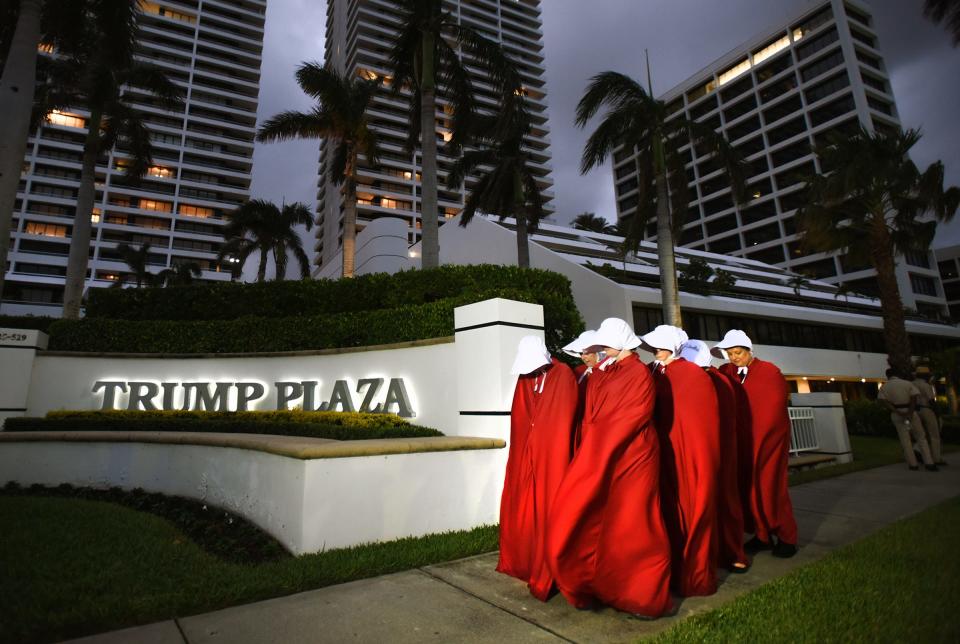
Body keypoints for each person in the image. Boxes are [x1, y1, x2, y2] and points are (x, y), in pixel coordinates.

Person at [547, 318, 672, 618]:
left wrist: (594, 452)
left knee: (636, 523)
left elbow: (630, 416)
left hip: (634, 456)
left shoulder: (637, 372)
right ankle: (607, 585)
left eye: (606, 342)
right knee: (612, 522)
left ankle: (644, 595)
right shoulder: (610, 371)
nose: (600, 347)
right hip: (610, 453)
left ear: (621, 342)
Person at [640, 326, 720, 596]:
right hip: (659, 451)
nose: (656, 352)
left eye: (661, 347)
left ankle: (692, 572)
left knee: (689, 507)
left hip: (686, 453)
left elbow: (699, 422)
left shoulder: (691, 374)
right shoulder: (652, 370)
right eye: (654, 347)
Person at [498, 335, 578, 601]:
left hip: (552, 456)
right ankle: (526, 558)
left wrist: (544, 449)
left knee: (550, 505)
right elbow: (521, 419)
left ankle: (550, 568)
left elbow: (561, 421)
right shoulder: (525, 379)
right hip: (528, 453)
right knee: (524, 503)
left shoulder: (562, 375)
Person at [713, 330, 798, 559]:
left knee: (771, 487)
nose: (734, 357)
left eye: (738, 352)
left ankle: (787, 536)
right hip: (740, 443)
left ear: (750, 351)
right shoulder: (726, 371)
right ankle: (762, 535)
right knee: (746, 489)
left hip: (766, 443)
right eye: (729, 353)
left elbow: (772, 411)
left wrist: (760, 439)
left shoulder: (769, 372)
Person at [679, 339, 749, 574]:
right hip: (696, 451)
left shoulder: (719, 381)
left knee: (724, 501)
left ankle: (731, 552)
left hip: (719, 450)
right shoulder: (695, 379)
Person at [877, 368, 937, 472]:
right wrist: (910, 411)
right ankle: (929, 462)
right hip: (911, 411)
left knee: (905, 440)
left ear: (888, 376)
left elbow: (883, 401)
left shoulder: (885, 386)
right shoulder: (907, 384)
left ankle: (913, 464)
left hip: (897, 413)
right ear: (898, 374)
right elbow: (914, 397)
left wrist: (896, 410)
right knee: (921, 437)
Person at [561, 330, 602, 453]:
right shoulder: (579, 371)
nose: (583, 357)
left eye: (587, 353)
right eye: (581, 353)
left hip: (597, 423)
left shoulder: (606, 371)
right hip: (579, 421)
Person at [912, 372, 946, 466]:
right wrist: (937, 413)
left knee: (921, 432)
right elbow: (931, 400)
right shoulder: (925, 385)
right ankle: (936, 458)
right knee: (934, 434)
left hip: (915, 410)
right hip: (926, 409)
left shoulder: (911, 384)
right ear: (925, 376)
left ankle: (917, 449)